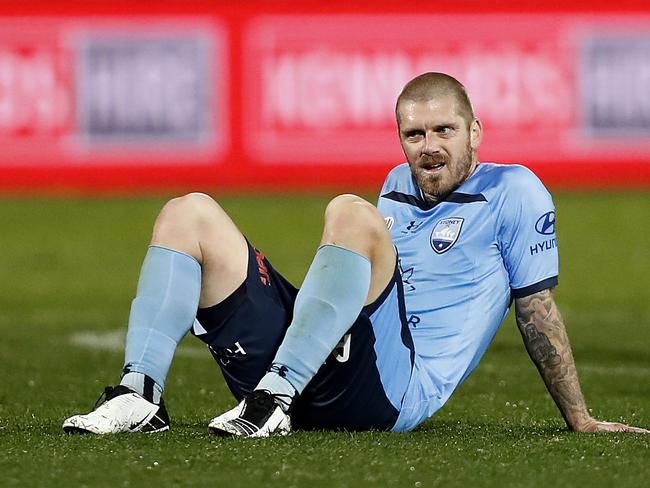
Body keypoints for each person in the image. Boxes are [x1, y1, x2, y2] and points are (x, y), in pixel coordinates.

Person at [63, 72, 648, 437]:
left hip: (394, 390)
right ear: (401, 141)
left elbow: (537, 308)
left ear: (476, 132)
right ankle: (141, 394)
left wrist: (579, 417)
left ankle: (273, 398)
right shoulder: (396, 182)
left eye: (444, 130)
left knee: (349, 211)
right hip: (335, 356)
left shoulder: (515, 190)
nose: (430, 148)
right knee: (188, 212)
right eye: (415, 136)